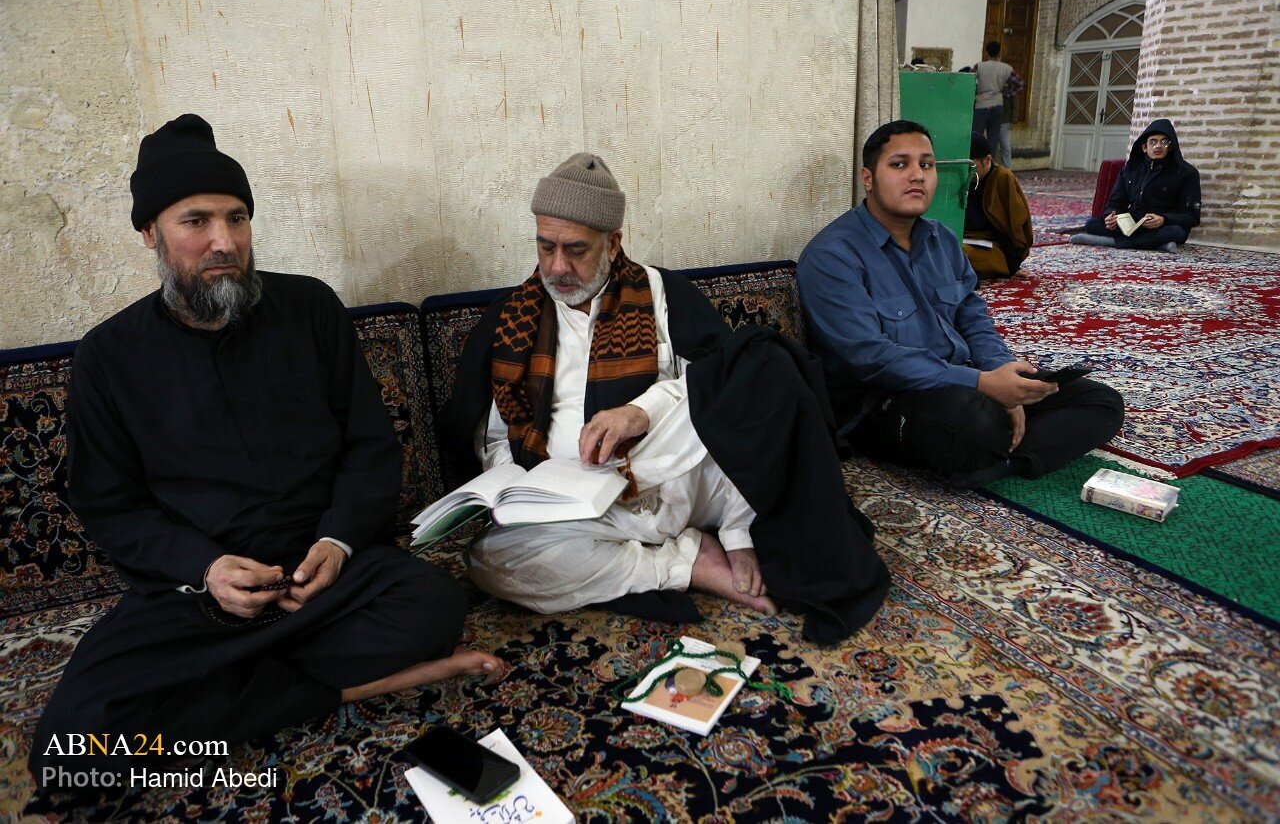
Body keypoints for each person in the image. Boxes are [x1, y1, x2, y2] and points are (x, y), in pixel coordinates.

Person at [29, 114, 498, 790]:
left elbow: (370, 447)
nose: (225, 241)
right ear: (149, 234)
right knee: (70, 754)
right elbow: (111, 505)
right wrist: (208, 566)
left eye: (238, 217)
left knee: (431, 603)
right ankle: (348, 687)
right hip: (199, 597)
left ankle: (240, 692)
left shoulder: (310, 309)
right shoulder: (108, 356)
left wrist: (337, 543)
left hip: (327, 578)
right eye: (197, 221)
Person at [443, 153, 889, 645]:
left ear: (613, 243)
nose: (557, 266)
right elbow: (494, 433)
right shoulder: (512, 318)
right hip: (576, 508)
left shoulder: (662, 293)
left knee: (763, 366)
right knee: (491, 562)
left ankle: (731, 536)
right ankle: (684, 563)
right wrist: (512, 485)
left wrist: (641, 411)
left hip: (680, 481)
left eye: (576, 249)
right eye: (545, 247)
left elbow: (727, 396)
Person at [797, 120, 1124, 490]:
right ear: (868, 179)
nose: (917, 176)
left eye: (927, 164)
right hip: (883, 401)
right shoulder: (833, 255)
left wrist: (1002, 375)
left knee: (1101, 401)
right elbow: (871, 357)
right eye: (899, 165)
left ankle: (1001, 462)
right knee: (976, 422)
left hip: (960, 380)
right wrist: (983, 384)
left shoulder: (942, 240)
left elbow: (973, 318)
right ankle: (997, 445)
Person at [1071, 119, 1201, 253]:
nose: (1158, 146)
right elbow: (1115, 202)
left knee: (1175, 232)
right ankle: (1159, 245)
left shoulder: (1186, 173)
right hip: (1134, 225)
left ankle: (1111, 242)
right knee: (1092, 224)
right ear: (1144, 147)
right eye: (1153, 142)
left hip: (1164, 226)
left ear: (1171, 146)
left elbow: (1192, 217)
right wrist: (1110, 216)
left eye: (1164, 142)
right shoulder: (1130, 170)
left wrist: (1164, 219)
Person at [963, 135, 1033, 278]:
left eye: (971, 167)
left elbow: (1014, 228)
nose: (967, 172)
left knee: (960, 254)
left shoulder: (1002, 178)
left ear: (987, 160)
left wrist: (1012, 266)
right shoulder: (962, 178)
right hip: (964, 238)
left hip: (993, 246)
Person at [971, 41, 1013, 158]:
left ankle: (974, 161)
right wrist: (1007, 94)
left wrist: (974, 93)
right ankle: (990, 163)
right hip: (998, 104)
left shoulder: (980, 66)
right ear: (999, 52)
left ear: (986, 52)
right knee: (993, 137)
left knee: (976, 134)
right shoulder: (1006, 68)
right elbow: (1019, 84)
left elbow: (969, 79)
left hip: (982, 103)